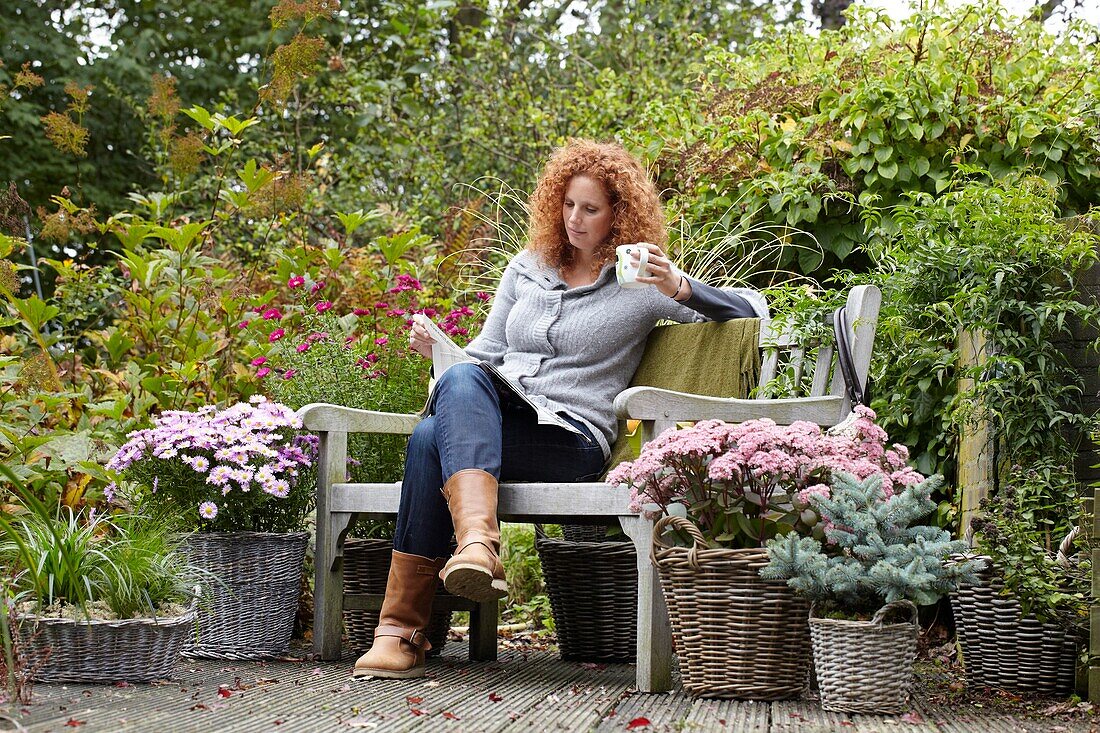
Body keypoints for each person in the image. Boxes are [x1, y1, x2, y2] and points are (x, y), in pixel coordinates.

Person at [353, 139, 757, 679]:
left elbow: (752, 310)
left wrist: (680, 286)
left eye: (590, 209)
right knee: (438, 424)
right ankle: (470, 552)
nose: (574, 219)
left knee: (432, 437)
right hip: (500, 425)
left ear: (619, 215)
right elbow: (482, 357)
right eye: (567, 205)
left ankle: (403, 629)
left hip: (571, 439)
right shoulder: (527, 268)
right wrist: (438, 350)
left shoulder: (638, 282)